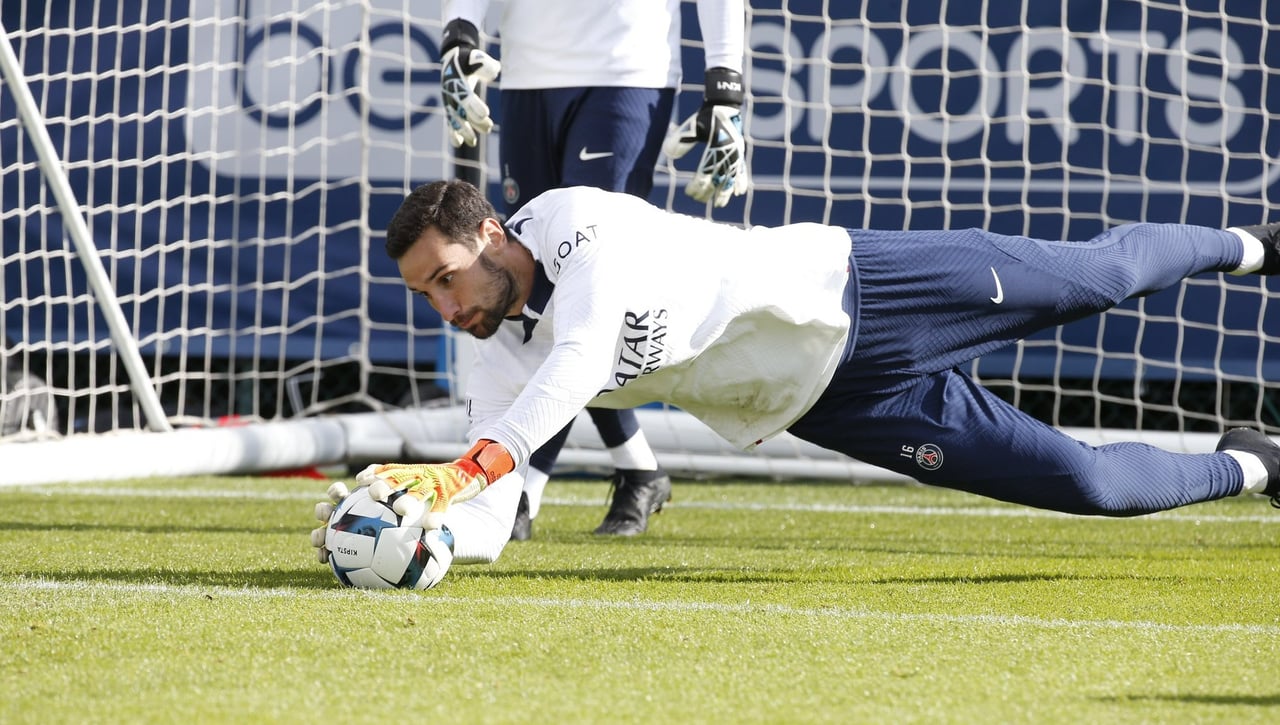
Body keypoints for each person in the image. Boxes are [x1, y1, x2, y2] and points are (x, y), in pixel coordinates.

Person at [311, 179, 1280, 587]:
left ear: (488, 234)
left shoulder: (572, 220)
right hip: (837, 404)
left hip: (866, 285)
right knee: (1088, 486)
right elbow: (486, 515)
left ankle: (1250, 244)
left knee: (1102, 277)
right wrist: (402, 529)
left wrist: (466, 462)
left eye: (444, 277)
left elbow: (581, 360)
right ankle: (1252, 464)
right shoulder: (492, 347)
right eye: (424, 294)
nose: (443, 306)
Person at [437, 0, 749, 540]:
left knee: (588, 288)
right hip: (527, 71)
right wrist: (458, 30)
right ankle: (637, 468)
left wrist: (725, 79)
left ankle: (524, 492)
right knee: (529, 287)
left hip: (626, 69)